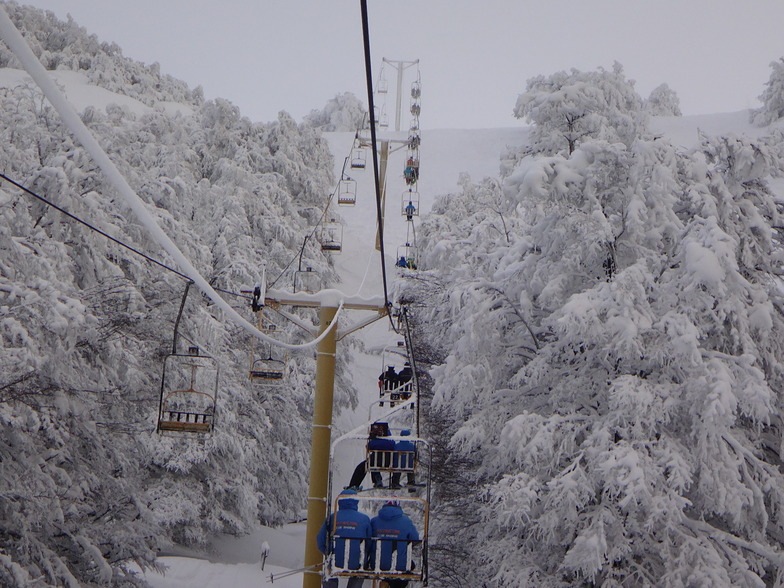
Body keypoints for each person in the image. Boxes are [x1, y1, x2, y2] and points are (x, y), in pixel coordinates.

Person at [317, 489, 371, 588]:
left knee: (329, 570)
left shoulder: (332, 518)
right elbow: (369, 543)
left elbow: (320, 540)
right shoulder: (364, 519)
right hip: (356, 561)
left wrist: (328, 552)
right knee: (360, 571)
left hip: (336, 559)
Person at [369, 499, 420, 585]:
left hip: (377, 563)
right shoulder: (406, 522)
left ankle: (385, 582)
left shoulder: (374, 521)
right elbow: (415, 538)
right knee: (409, 567)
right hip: (399, 565)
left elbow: (368, 540)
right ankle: (389, 583)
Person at [348, 422, 395, 489]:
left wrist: (374, 438)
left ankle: (354, 485)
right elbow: (392, 446)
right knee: (372, 463)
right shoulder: (390, 441)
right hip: (387, 462)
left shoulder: (375, 442)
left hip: (375, 462)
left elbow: (369, 446)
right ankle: (378, 481)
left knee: (362, 467)